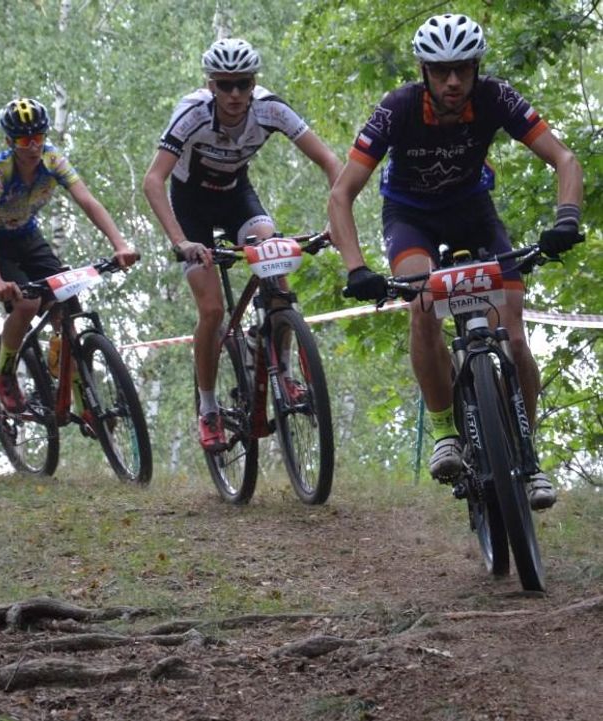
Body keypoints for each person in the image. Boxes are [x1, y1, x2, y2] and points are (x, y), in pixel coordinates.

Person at [328, 14, 584, 510]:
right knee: (422, 303)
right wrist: (356, 267)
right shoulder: (396, 109)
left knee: (510, 330)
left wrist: (566, 219)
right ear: (424, 71)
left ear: (476, 69)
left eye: (462, 70)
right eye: (441, 71)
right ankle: (446, 428)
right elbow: (342, 194)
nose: (452, 82)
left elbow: (565, 160)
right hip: (411, 217)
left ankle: (528, 457)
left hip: (474, 213)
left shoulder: (496, 98)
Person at [143, 37, 343, 450]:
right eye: (225, 85)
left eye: (243, 84)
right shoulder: (192, 115)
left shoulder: (271, 108)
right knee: (212, 310)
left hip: (236, 197)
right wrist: (180, 241)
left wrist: (336, 221)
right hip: (191, 207)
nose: (235, 94)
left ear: (254, 83)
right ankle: (209, 407)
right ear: (211, 85)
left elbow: (330, 161)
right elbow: (152, 180)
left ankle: (281, 368)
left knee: (275, 262)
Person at [0, 98, 139, 417]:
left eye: (39, 137)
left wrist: (120, 245)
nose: (33, 146)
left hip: (26, 238)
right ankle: (4, 371)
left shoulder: (53, 159)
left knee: (67, 302)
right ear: (9, 142)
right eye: (23, 139)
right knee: (28, 303)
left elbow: (87, 201)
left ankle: (80, 397)